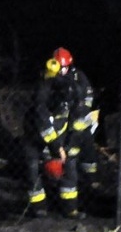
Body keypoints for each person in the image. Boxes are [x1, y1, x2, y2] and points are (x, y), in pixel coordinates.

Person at [22, 57, 89, 219]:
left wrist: (69, 146)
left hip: (63, 135)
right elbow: (44, 126)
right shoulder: (42, 99)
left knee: (70, 167)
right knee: (32, 168)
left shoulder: (74, 90)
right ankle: (38, 208)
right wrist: (56, 147)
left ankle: (70, 209)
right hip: (36, 138)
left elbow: (79, 123)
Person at [52, 47, 99, 181]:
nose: (62, 70)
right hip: (62, 123)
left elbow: (88, 95)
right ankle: (68, 173)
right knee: (67, 150)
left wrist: (82, 110)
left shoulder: (78, 76)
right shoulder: (50, 79)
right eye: (60, 67)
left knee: (87, 147)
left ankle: (91, 178)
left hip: (80, 120)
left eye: (65, 67)